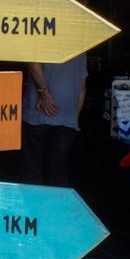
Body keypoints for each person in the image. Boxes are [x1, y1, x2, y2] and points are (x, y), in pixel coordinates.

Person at [19, 53, 87, 186]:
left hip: (37, 114)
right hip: (66, 118)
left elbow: (33, 62)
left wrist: (44, 93)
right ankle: (56, 206)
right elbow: (82, 89)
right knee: (58, 173)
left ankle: (33, 206)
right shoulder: (81, 45)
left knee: (32, 172)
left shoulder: (44, 33)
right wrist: (73, 119)